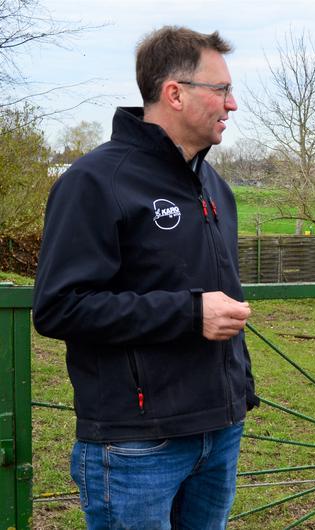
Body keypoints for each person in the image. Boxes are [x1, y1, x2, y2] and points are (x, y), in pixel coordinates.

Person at [33, 26, 257, 529]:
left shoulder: (214, 184)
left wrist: (238, 392)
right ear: (174, 93)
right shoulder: (94, 181)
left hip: (218, 431)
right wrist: (190, 312)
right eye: (221, 90)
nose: (233, 104)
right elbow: (59, 306)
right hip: (136, 442)